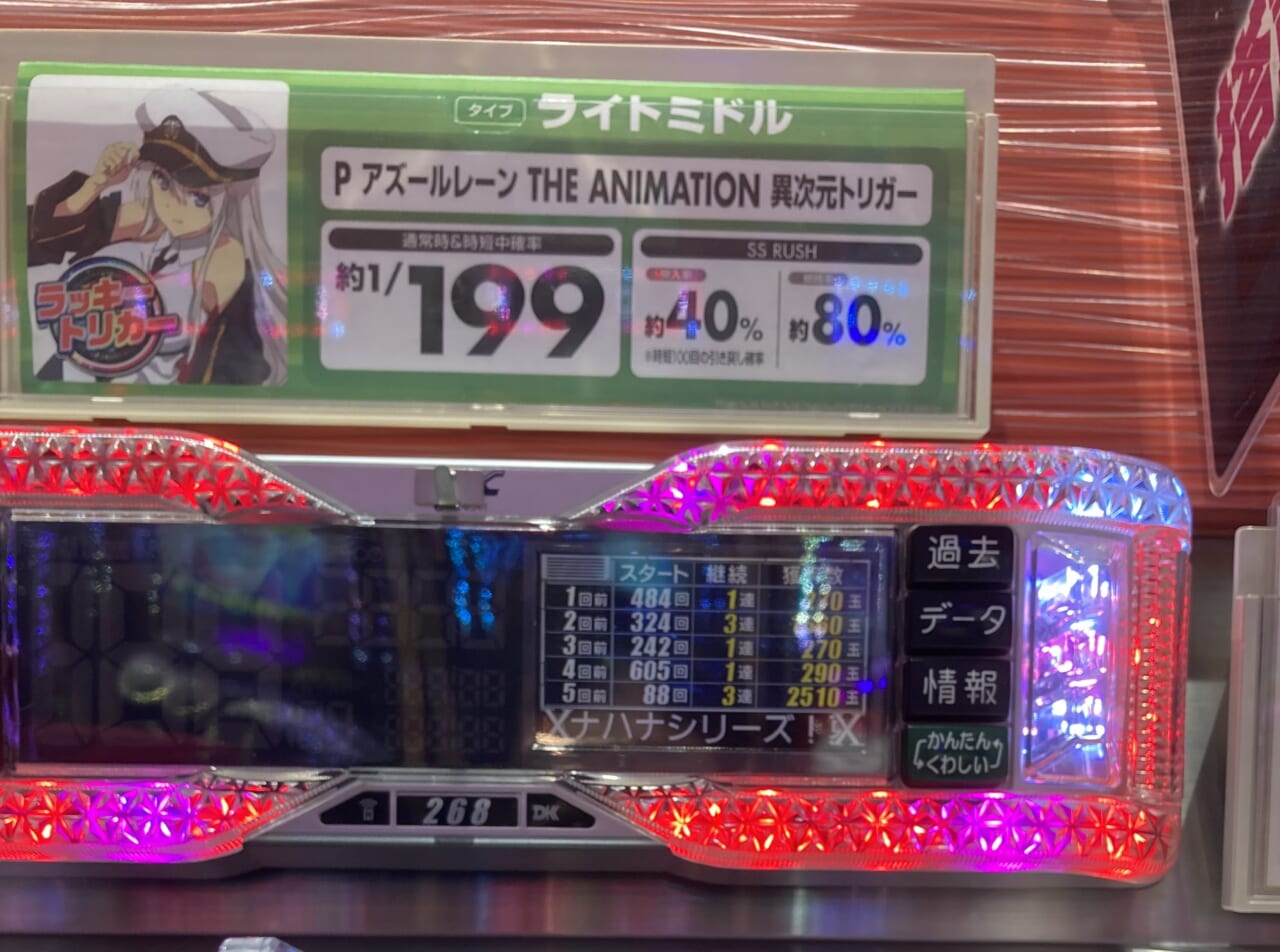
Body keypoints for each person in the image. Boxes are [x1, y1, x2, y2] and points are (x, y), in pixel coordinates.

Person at [27, 86, 286, 385]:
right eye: (161, 181)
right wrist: (95, 186)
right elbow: (30, 241)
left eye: (198, 198)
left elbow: (232, 371)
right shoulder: (142, 219)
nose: (171, 204)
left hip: (144, 400)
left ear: (231, 200)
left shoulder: (227, 264)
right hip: (66, 381)